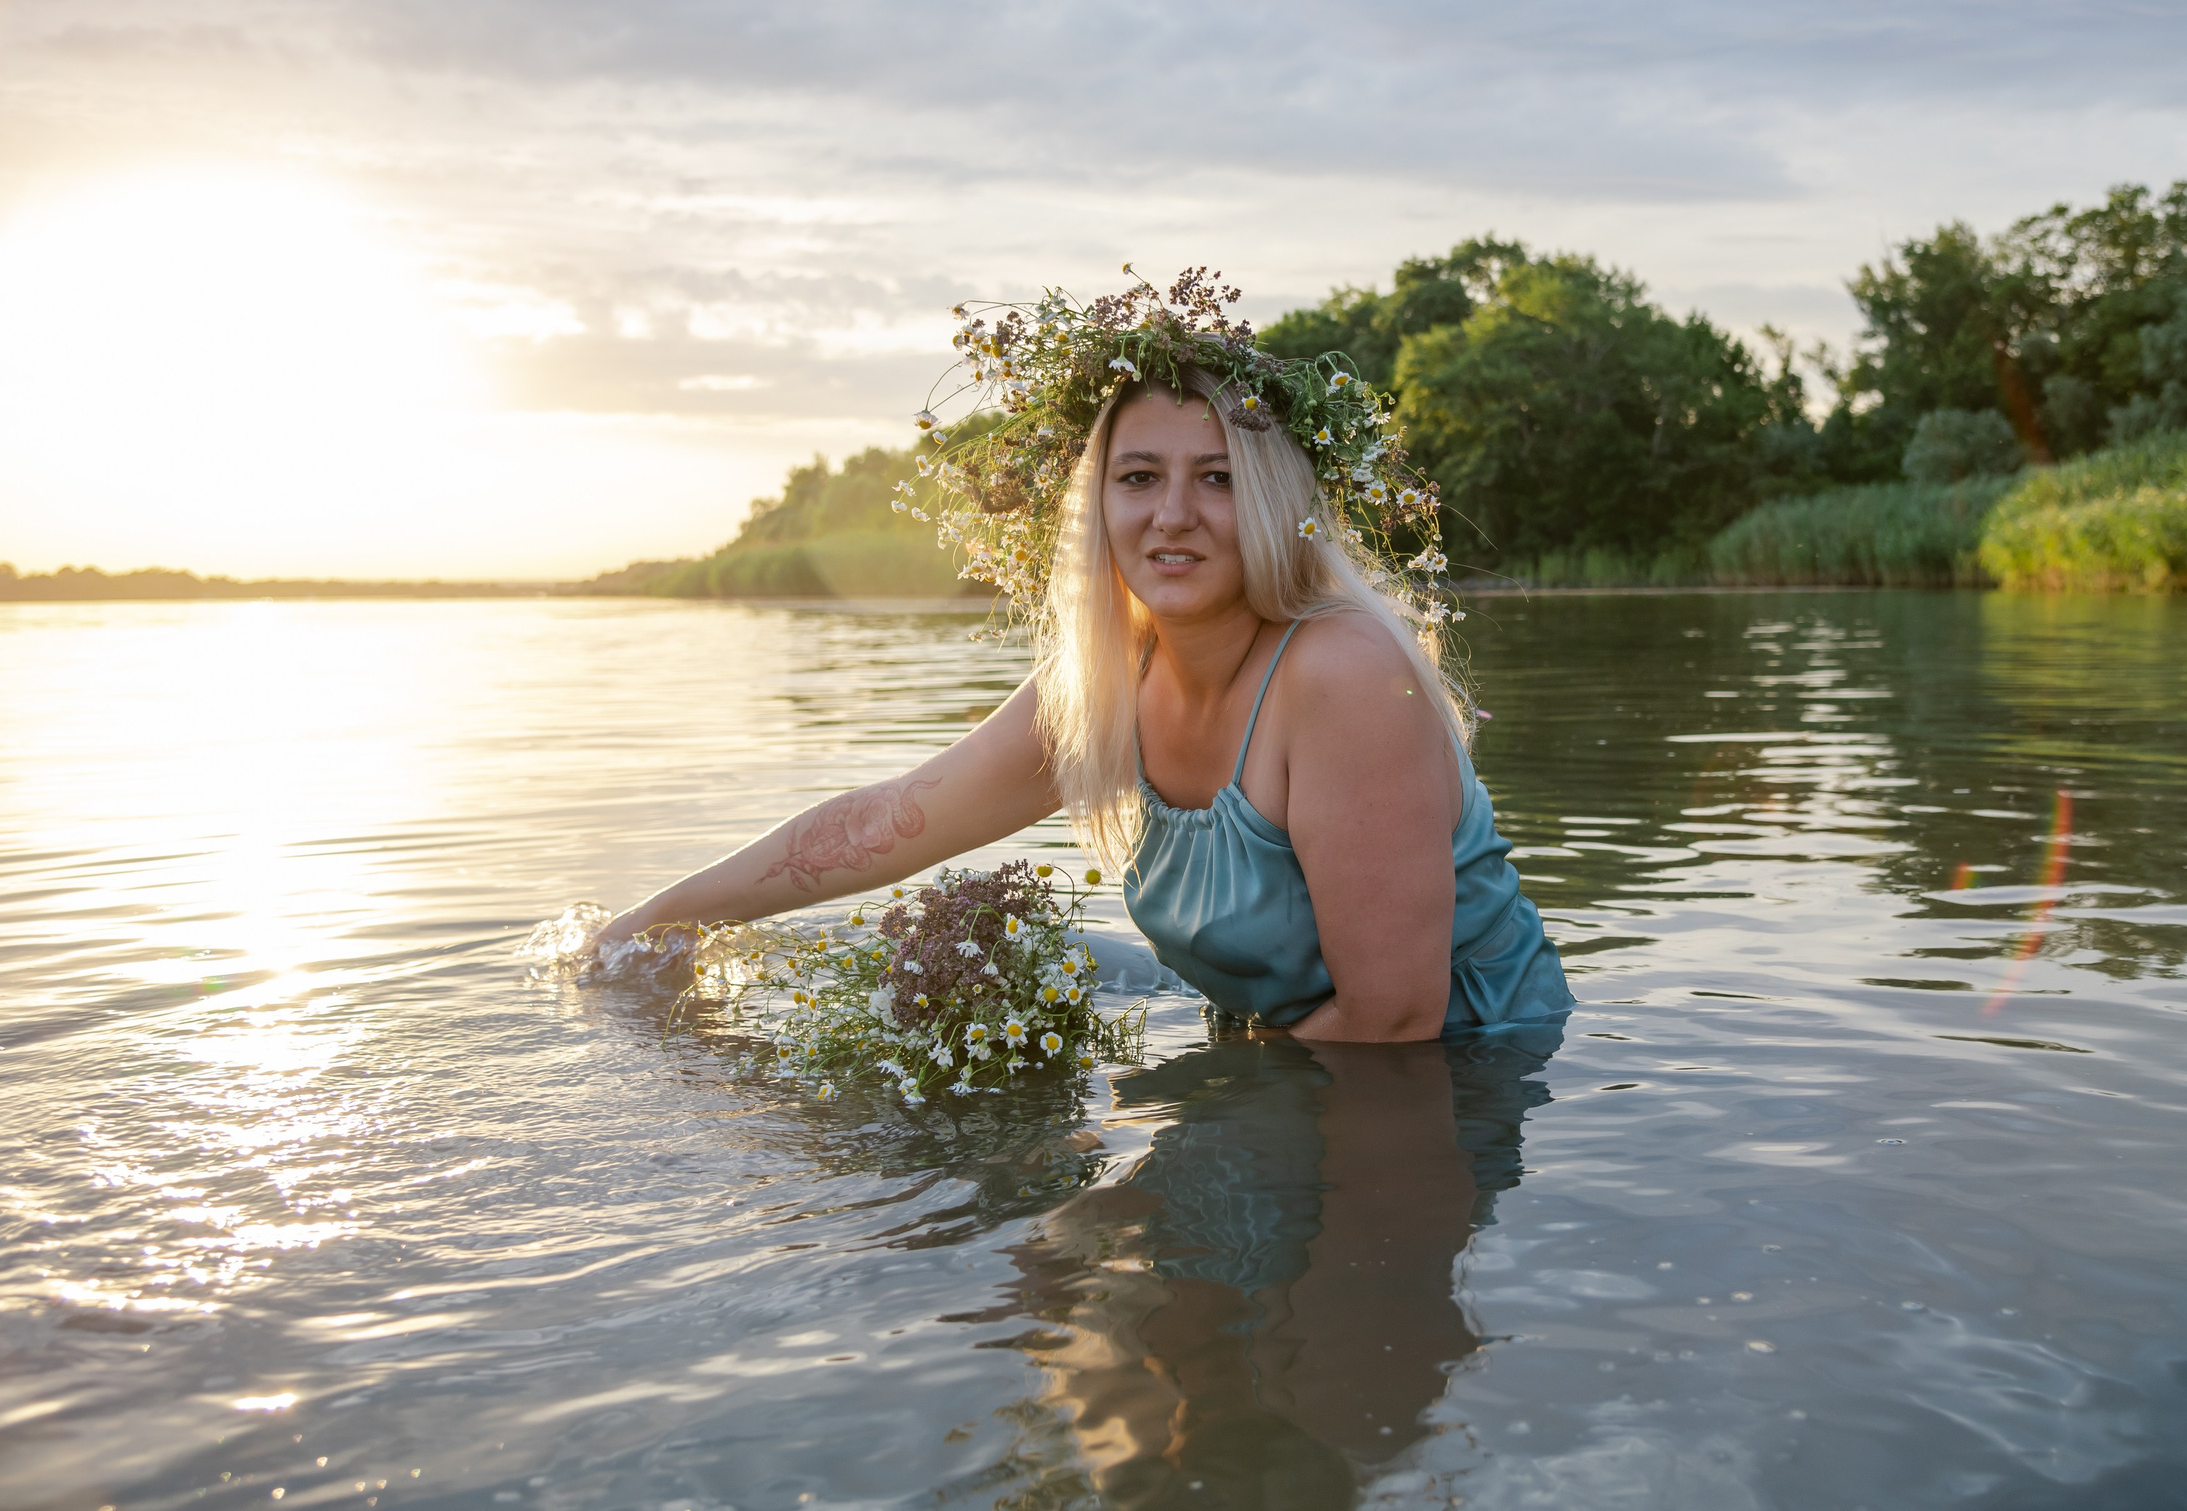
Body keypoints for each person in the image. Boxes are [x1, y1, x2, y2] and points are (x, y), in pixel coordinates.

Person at [592, 270, 1570, 1042]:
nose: (1173, 513)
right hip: (1300, 1057)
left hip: (1457, 1084)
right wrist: (651, 921)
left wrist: (1185, 1136)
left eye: (1218, 478)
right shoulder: (1107, 682)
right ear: (1097, 507)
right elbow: (890, 819)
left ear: (1273, 502)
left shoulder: (1341, 674)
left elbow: (1396, 1020)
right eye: (1138, 476)